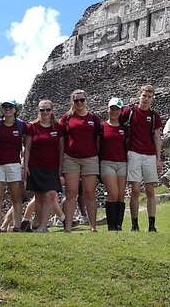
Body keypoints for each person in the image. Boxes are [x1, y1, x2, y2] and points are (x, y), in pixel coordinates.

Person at [121, 85, 162, 233]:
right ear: (139, 96)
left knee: (150, 191)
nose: (146, 99)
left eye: (149, 97)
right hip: (134, 153)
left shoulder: (154, 116)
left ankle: (152, 225)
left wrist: (158, 158)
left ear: (153, 99)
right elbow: (116, 123)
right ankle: (134, 224)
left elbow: (157, 137)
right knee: (136, 190)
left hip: (150, 154)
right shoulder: (130, 112)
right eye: (144, 96)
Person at [59, 89, 100, 233]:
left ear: (86, 100)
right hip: (71, 158)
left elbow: (97, 139)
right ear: (72, 102)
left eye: (82, 100)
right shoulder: (67, 117)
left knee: (89, 193)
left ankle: (93, 227)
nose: (79, 103)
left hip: (90, 157)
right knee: (71, 193)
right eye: (76, 100)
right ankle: (68, 227)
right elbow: (62, 141)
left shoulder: (93, 118)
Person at [23, 100, 63, 233]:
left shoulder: (58, 127)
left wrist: (61, 168)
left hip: (52, 166)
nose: (45, 112)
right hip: (35, 165)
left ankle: (43, 226)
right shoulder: (32, 126)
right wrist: (25, 166)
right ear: (38, 111)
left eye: (47, 109)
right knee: (39, 197)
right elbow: (27, 148)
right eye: (42, 110)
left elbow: (61, 148)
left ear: (52, 110)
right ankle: (38, 224)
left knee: (51, 195)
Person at [0, 100, 25, 233]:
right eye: (5, 107)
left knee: (16, 197)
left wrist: (24, 164)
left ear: (15, 109)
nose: (8, 109)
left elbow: (27, 144)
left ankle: (16, 226)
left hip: (14, 164)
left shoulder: (21, 125)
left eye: (10, 107)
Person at [99, 97, 128, 231]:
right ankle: (111, 225)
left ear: (121, 111)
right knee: (113, 193)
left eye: (117, 109)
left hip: (122, 163)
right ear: (108, 109)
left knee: (121, 195)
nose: (114, 111)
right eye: (112, 108)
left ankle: (118, 225)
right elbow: (97, 145)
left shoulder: (125, 129)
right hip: (107, 163)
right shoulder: (102, 127)